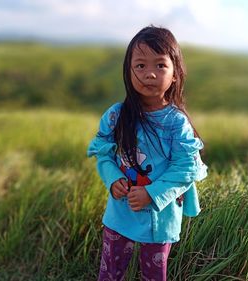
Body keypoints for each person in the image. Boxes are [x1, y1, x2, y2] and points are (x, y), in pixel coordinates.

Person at [87, 25, 208, 281]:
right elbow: (103, 151)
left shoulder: (177, 123)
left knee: (154, 275)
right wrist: (113, 179)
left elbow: (186, 169)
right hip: (121, 211)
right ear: (128, 71)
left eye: (160, 65)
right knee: (110, 272)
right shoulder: (116, 115)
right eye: (140, 66)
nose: (150, 74)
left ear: (175, 73)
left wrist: (151, 193)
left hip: (160, 217)